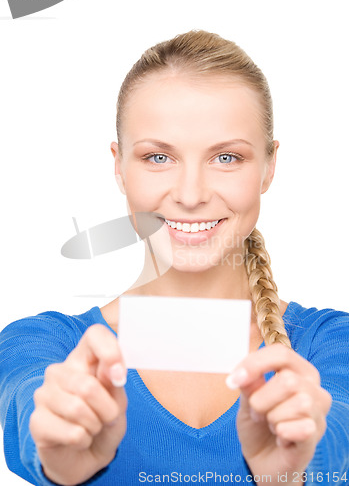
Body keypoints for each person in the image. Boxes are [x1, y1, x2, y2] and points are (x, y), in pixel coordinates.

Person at [0, 29, 348, 486]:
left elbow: (336, 441)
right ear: (119, 165)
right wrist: (62, 458)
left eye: (226, 157)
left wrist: (294, 471)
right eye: (158, 157)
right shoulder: (43, 346)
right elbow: (29, 410)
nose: (189, 195)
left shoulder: (332, 346)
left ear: (269, 166)